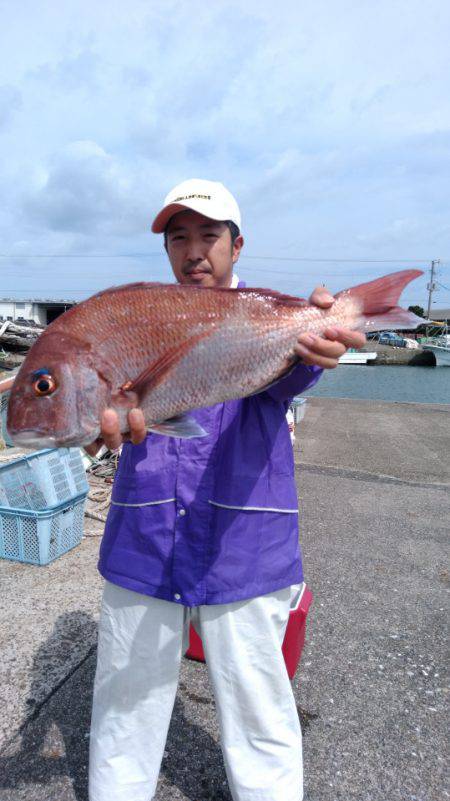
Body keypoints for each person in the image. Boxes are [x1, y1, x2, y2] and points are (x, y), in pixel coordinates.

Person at [88, 179, 365, 801]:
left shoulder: (269, 316)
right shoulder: (141, 317)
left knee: (258, 704)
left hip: (245, 541)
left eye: (208, 237)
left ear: (237, 247)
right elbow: (106, 409)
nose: (193, 253)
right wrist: (91, 426)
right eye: (178, 238)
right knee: (123, 702)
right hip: (144, 538)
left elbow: (288, 383)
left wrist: (318, 340)